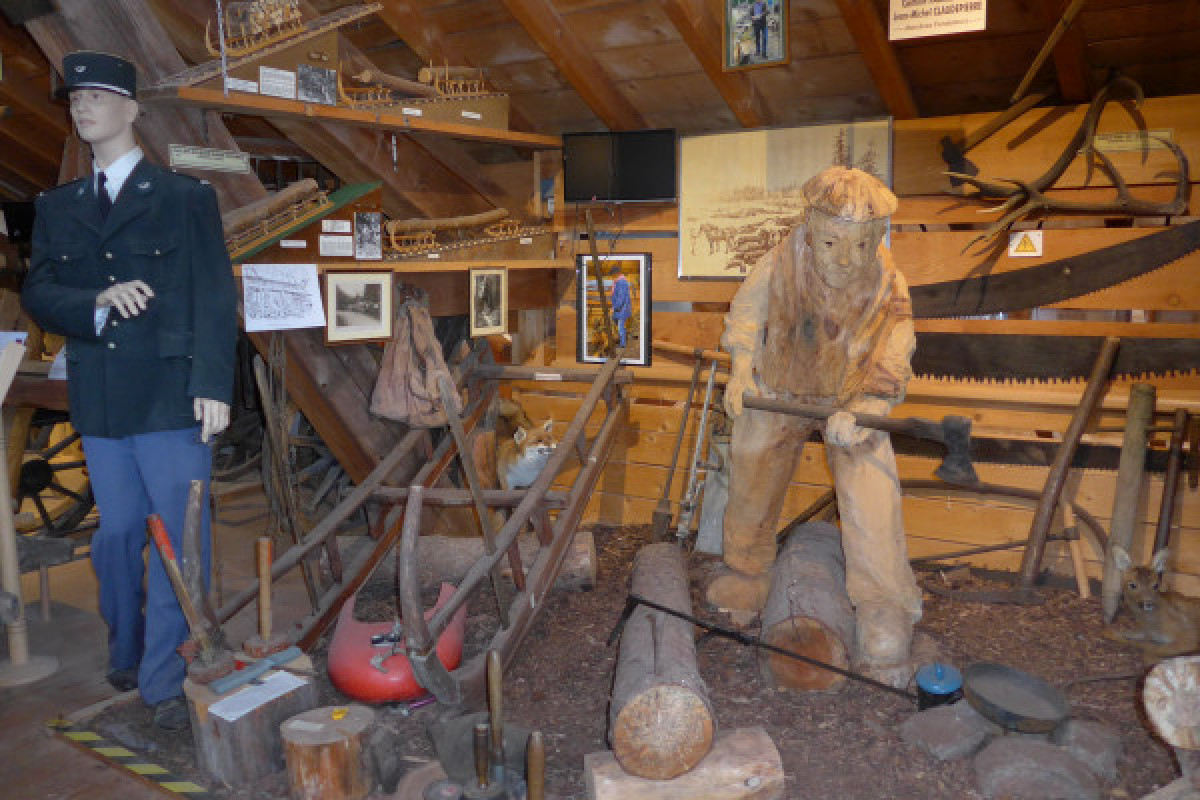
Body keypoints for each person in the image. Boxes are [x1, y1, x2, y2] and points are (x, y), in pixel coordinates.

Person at [22, 51, 237, 729]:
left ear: (132, 109)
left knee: (178, 537)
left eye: (96, 95)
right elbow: (39, 292)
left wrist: (213, 383)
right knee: (116, 536)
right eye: (75, 98)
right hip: (103, 398)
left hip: (171, 394)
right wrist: (95, 298)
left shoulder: (184, 198)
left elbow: (213, 294)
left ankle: (164, 676)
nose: (81, 106)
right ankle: (129, 645)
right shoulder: (58, 207)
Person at [708, 166, 921, 685]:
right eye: (831, 243)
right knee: (753, 456)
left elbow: (898, 348)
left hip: (852, 398)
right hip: (783, 388)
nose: (845, 260)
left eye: (860, 245)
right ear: (809, 227)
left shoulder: (888, 282)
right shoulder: (780, 262)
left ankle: (883, 603)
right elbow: (746, 315)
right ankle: (747, 568)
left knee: (870, 483)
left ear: (877, 238)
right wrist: (741, 369)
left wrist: (872, 405)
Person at [609, 270, 632, 350]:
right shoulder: (618, 282)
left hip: (621, 309)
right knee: (619, 325)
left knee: (620, 326)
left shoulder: (621, 283)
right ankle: (622, 340)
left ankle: (622, 344)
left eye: (612, 274)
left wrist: (615, 307)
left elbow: (621, 297)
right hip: (621, 309)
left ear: (616, 274)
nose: (611, 277)